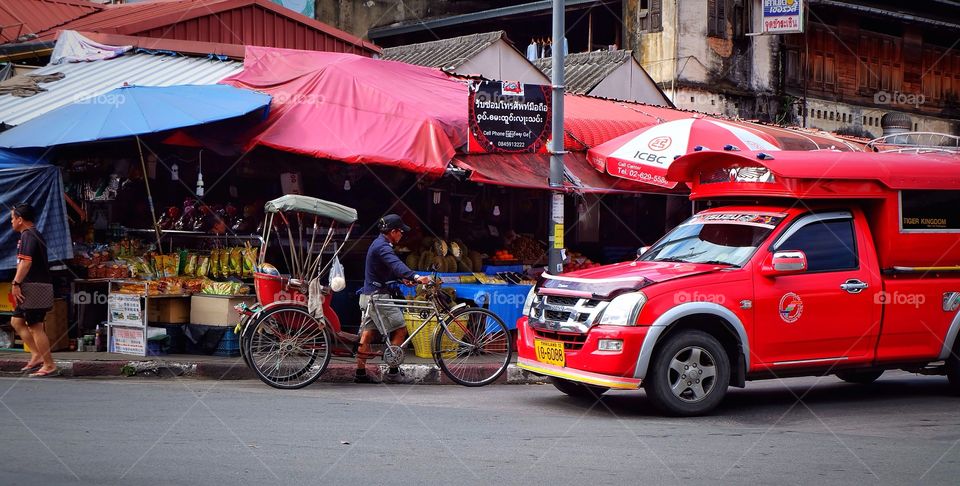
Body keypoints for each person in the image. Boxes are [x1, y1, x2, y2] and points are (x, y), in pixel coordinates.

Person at [355, 214, 430, 384]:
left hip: (368, 295)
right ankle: (393, 371)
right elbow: (396, 264)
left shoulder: (379, 243)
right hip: (378, 297)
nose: (402, 235)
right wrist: (415, 276)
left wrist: (401, 279)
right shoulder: (383, 247)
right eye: (401, 232)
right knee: (401, 328)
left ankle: (360, 373)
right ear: (394, 231)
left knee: (366, 335)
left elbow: (384, 270)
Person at [9, 203, 57, 377]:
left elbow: (26, 262)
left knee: (36, 326)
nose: (11, 222)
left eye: (13, 219)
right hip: (28, 286)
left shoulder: (29, 235)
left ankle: (49, 364)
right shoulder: (29, 235)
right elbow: (23, 263)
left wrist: (15, 283)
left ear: (20, 220)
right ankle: (36, 355)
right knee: (16, 322)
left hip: (34, 287)